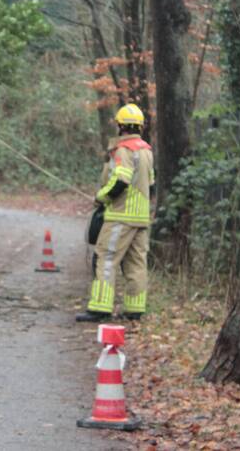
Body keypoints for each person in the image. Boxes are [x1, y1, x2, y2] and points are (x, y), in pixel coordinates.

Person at [76, 103, 155, 323]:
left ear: (121, 126)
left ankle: (100, 308)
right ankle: (134, 310)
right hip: (140, 218)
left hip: (120, 217)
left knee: (106, 259)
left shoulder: (124, 150)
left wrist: (101, 197)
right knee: (136, 264)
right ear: (139, 126)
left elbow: (120, 181)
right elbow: (151, 185)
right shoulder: (146, 151)